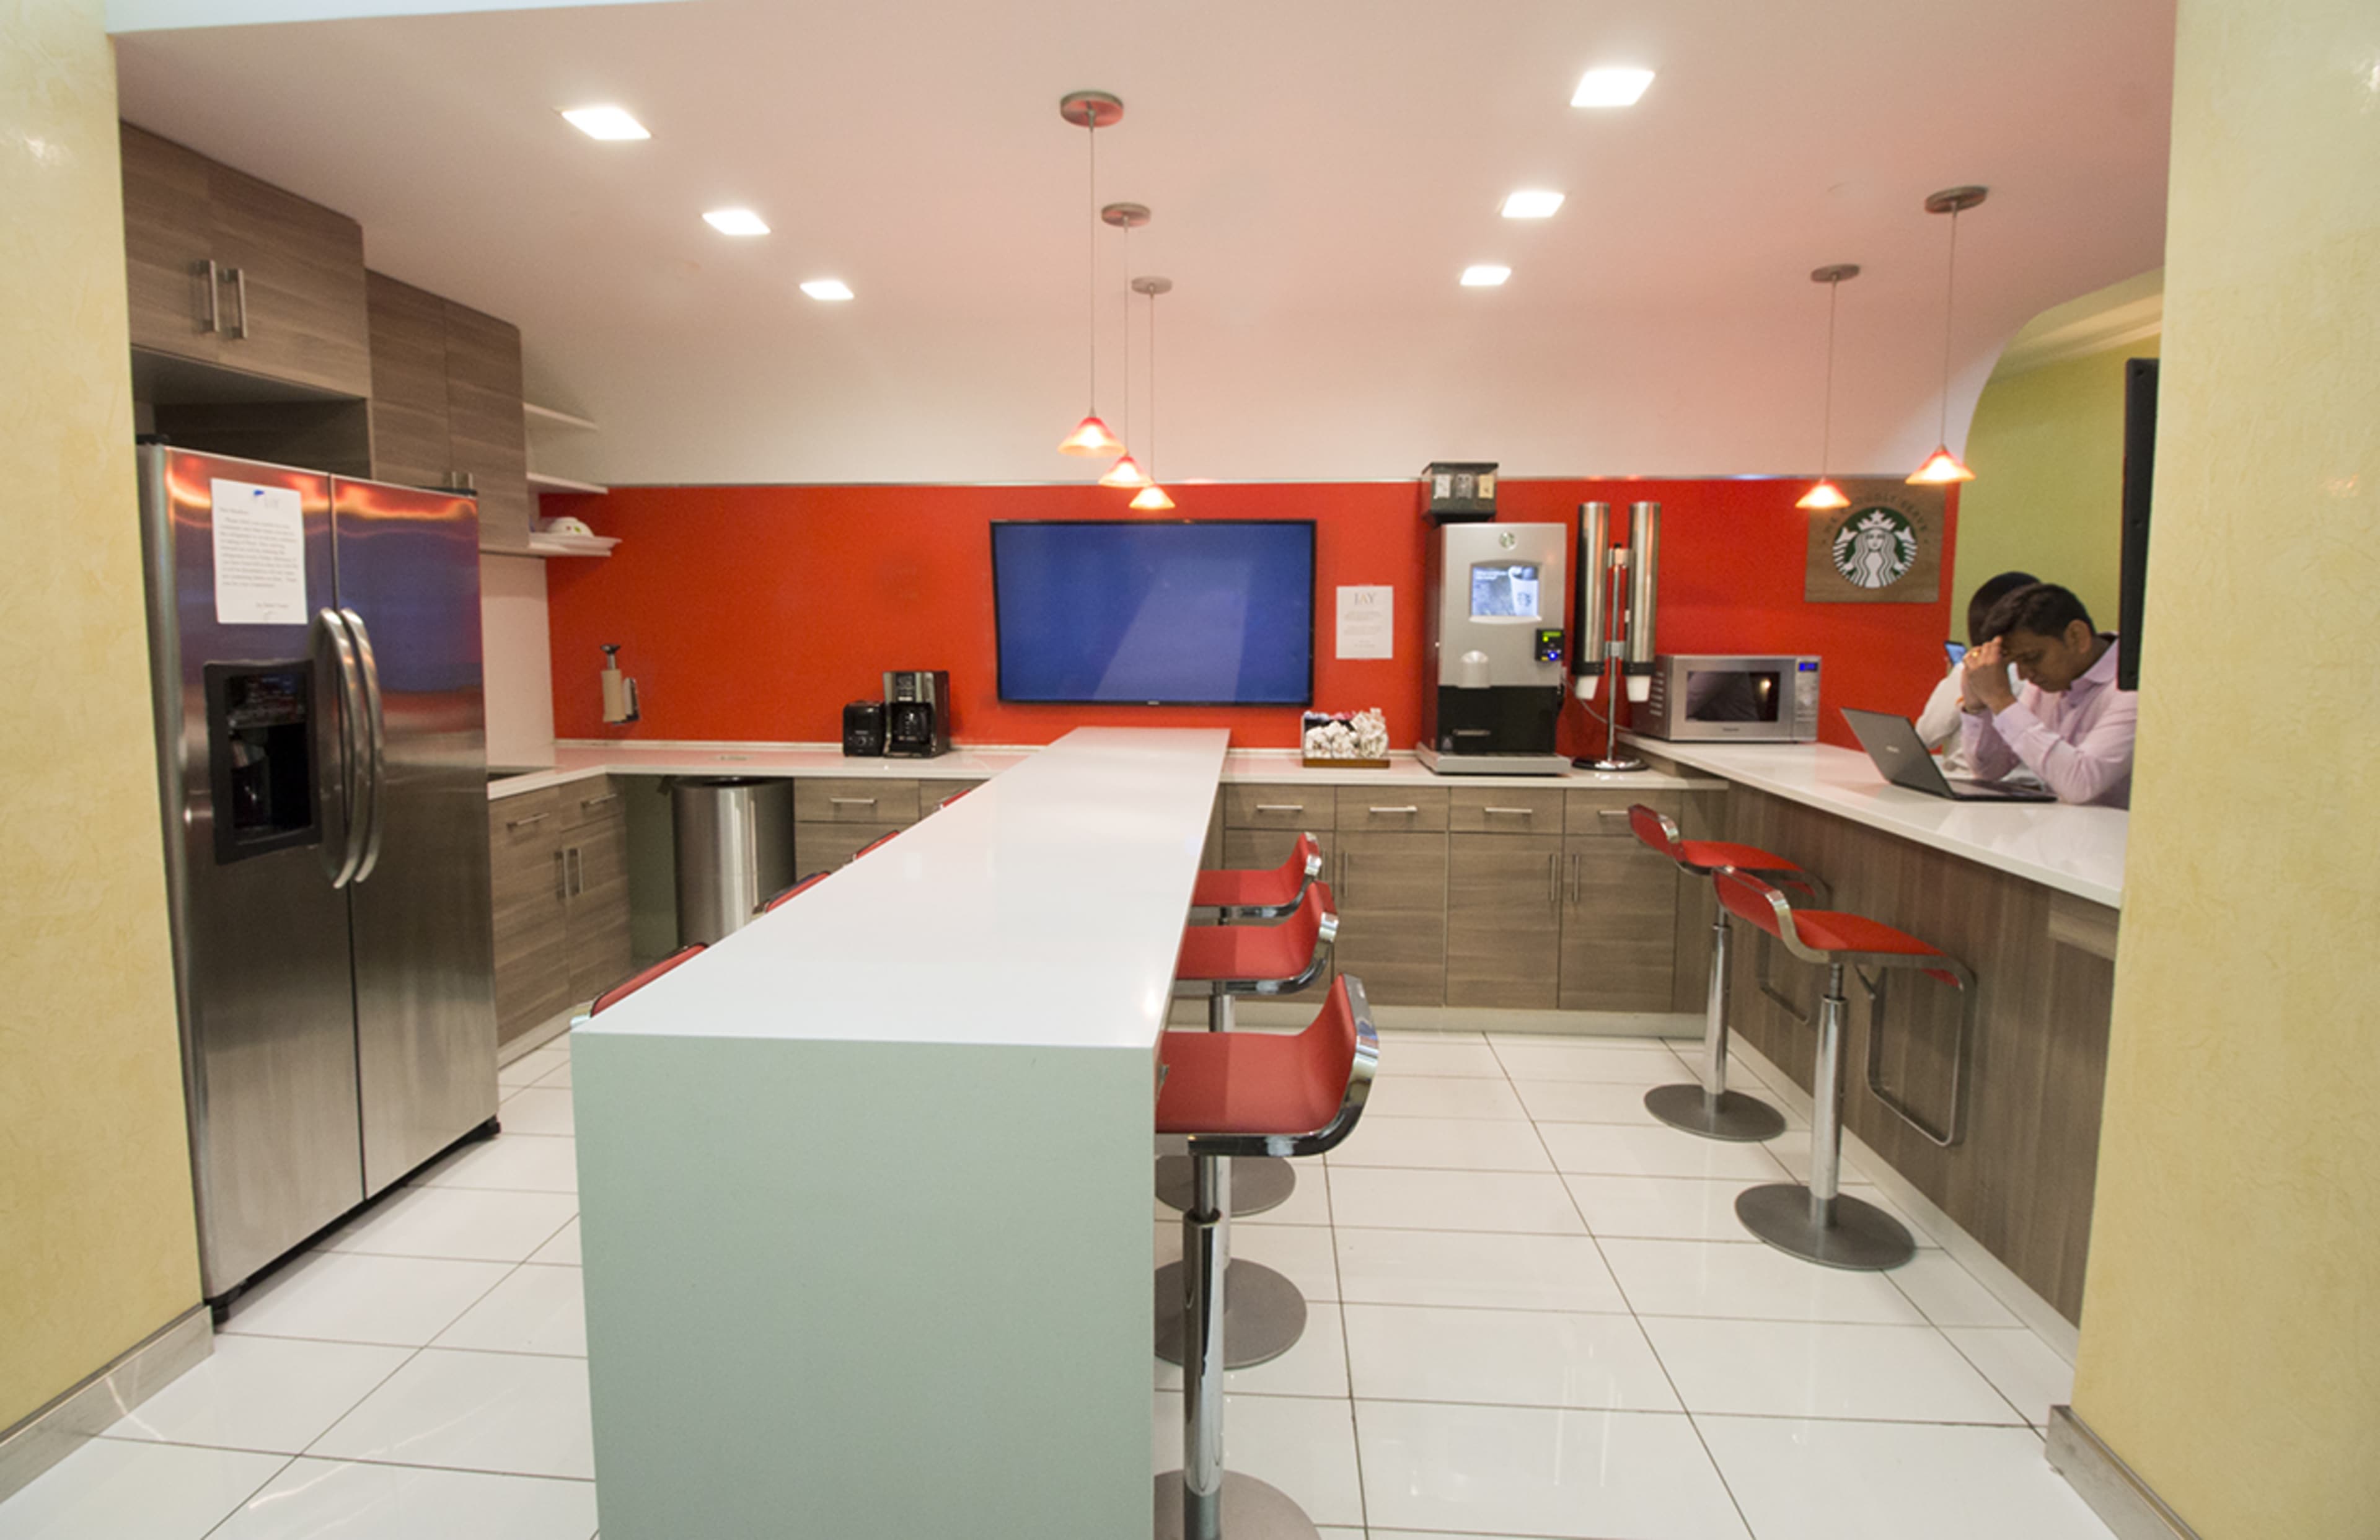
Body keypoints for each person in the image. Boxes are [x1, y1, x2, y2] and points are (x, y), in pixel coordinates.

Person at [1960, 581, 2136, 807]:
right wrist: (1977, 708)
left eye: (2032, 658)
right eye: (2015, 662)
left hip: (2118, 828)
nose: (2023, 675)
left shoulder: (2134, 683)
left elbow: (2081, 784)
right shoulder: (2048, 680)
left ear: (2076, 636)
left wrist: (2001, 700)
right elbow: (1990, 771)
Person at [1916, 570, 2037, 777]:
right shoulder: (2049, 675)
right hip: (2034, 785)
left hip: (1968, 780)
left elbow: (1927, 735)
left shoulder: (1973, 669)